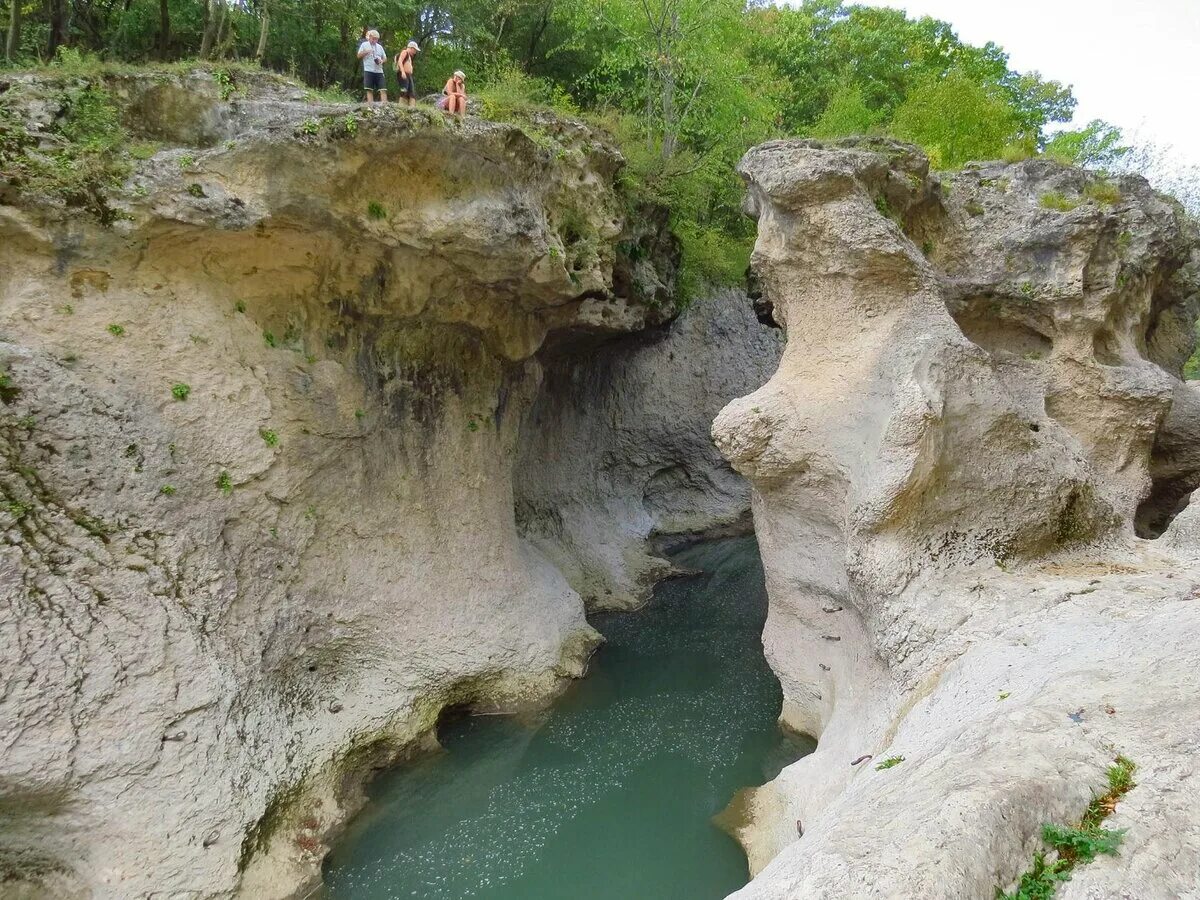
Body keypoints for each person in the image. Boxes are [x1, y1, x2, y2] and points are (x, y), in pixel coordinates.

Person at [357, 30, 387, 106]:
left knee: (383, 89)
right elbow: (358, 56)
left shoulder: (380, 47)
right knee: (369, 89)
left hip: (379, 70)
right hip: (368, 70)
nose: (375, 40)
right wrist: (366, 51)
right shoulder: (364, 45)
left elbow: (385, 58)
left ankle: (385, 105)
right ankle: (371, 105)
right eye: (373, 38)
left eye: (376, 39)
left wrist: (381, 61)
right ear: (369, 37)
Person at [395, 40, 421, 108]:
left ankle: (412, 107)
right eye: (415, 50)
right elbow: (400, 61)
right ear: (412, 48)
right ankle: (401, 106)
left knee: (411, 91)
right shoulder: (405, 52)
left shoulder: (409, 56)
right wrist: (403, 72)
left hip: (408, 75)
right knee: (404, 89)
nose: (415, 52)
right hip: (403, 74)